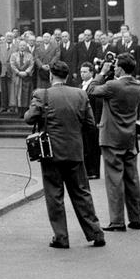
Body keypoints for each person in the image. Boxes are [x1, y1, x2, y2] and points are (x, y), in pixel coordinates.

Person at [24, 60, 105, 249]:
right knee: (82, 193)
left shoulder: (41, 94)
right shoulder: (80, 94)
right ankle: (95, 232)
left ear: (51, 76)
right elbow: (90, 124)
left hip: (50, 152)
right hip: (75, 151)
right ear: (67, 76)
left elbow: (30, 118)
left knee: (54, 194)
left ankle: (61, 237)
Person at [87, 53, 140, 232]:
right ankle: (136, 218)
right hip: (129, 137)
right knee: (132, 179)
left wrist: (102, 73)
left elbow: (91, 90)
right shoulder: (138, 85)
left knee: (114, 181)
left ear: (119, 67)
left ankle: (117, 220)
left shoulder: (112, 85)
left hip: (111, 137)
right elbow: (139, 107)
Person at [79, 62, 102, 179]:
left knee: (93, 147)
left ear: (91, 73)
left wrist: (97, 121)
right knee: (85, 146)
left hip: (93, 121)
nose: (82, 74)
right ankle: (87, 170)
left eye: (85, 72)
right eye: (81, 72)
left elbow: (98, 104)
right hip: (83, 121)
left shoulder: (95, 84)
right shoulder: (81, 85)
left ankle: (94, 171)